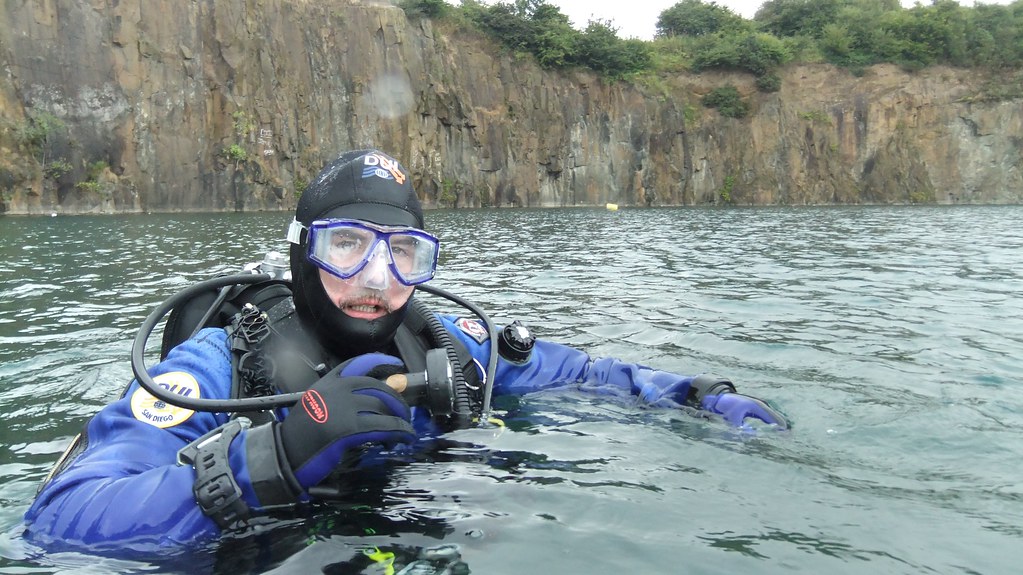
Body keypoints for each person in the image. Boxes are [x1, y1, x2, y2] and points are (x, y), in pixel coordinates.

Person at [23, 149, 787, 554]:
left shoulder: (442, 343)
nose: (374, 282)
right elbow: (59, 520)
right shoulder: (219, 364)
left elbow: (582, 374)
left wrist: (692, 393)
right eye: (346, 247)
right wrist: (275, 455)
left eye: (402, 255)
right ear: (300, 254)